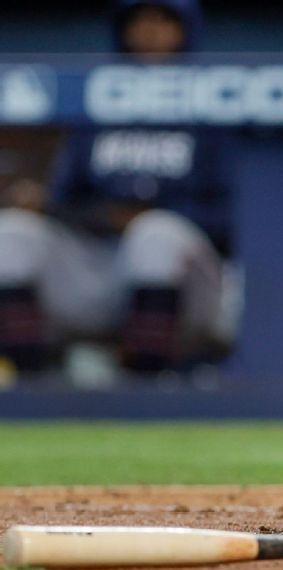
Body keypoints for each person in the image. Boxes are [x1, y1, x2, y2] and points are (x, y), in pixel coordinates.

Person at [0, 0, 232, 376]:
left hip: (191, 287)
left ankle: (147, 385)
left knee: (154, 235)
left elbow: (236, 217)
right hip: (100, 271)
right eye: (139, 20)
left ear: (185, 29)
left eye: (163, 20)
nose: (150, 31)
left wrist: (150, 216)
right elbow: (65, 199)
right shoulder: (95, 105)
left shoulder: (216, 106)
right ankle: (29, 385)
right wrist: (52, 207)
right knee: (10, 231)